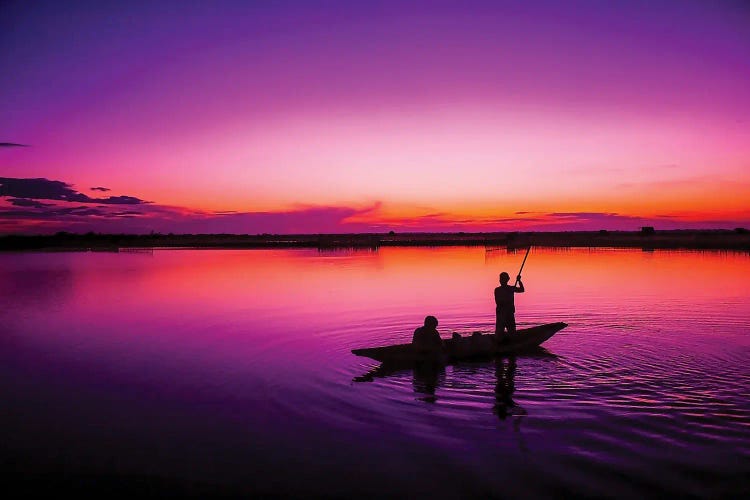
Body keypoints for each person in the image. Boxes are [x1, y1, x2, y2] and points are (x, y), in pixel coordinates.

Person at [494, 272, 524, 339]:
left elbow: (522, 290)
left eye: (502, 279)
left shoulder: (510, 289)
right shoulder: (498, 290)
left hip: (508, 313)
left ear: (507, 280)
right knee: (500, 332)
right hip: (502, 314)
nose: (501, 280)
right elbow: (498, 302)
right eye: (501, 279)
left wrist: (519, 281)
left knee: (511, 331)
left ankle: (508, 340)